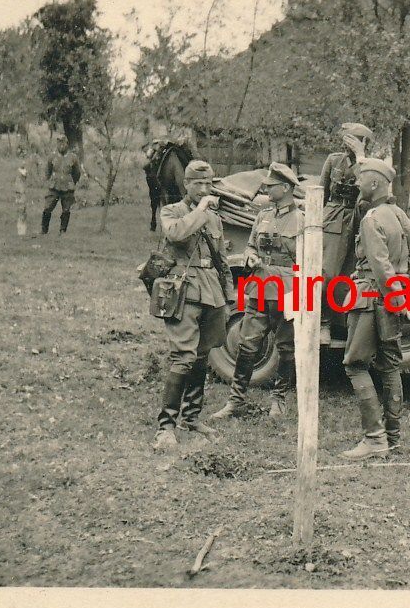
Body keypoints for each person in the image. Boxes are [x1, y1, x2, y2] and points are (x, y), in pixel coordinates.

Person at [340, 158, 410, 460]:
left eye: (361, 179)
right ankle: (393, 438)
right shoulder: (400, 215)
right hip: (392, 300)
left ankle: (375, 439)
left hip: (371, 298)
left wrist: (397, 300)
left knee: (355, 365)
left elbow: (380, 266)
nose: (356, 183)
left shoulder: (371, 218)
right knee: (390, 366)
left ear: (374, 183)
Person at [209, 162, 303, 422]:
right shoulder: (263, 216)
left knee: (286, 347)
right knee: (247, 343)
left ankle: (278, 400)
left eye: (272, 186)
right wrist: (250, 256)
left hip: (288, 290)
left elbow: (308, 259)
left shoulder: (302, 220)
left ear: (286, 188)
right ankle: (236, 401)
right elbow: (251, 245)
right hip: (260, 286)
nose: (266, 190)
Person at [152, 160, 232, 452]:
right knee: (183, 357)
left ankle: (191, 417)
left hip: (211, 292)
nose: (204, 188)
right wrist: (201, 210)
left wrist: (228, 295)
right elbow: (176, 233)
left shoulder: (214, 218)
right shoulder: (172, 211)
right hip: (182, 292)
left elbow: (221, 259)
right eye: (198, 183)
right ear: (186, 184)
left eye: (208, 183)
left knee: (201, 356)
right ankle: (166, 427)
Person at [319, 122, 374, 340]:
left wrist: (361, 157)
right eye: (347, 140)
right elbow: (321, 193)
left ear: (365, 143)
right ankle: (323, 323)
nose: (348, 145)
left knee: (351, 274)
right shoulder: (334, 160)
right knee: (328, 274)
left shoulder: (370, 165)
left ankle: (343, 324)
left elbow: (369, 190)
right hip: (333, 218)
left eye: (355, 141)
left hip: (359, 219)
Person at [41, 134, 82, 235]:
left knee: (66, 209)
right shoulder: (52, 156)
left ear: (67, 144)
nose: (61, 145)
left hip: (67, 187)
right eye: (59, 143)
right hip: (54, 186)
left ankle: (63, 230)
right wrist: (48, 180)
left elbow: (77, 173)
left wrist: (72, 182)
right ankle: (44, 230)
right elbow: (48, 171)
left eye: (63, 143)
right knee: (47, 208)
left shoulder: (73, 157)